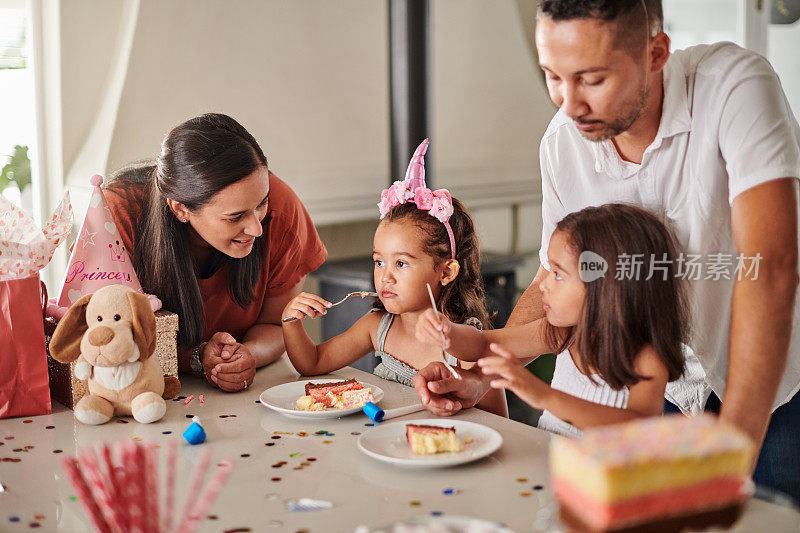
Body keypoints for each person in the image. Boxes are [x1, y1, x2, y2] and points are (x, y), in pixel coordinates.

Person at [414, 0, 800, 503]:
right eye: (553, 76)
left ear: (656, 52)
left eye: (591, 79)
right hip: (652, 389)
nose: (568, 104)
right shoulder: (562, 142)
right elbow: (553, 280)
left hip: (764, 385)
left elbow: (770, 266)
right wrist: (480, 377)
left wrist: (734, 447)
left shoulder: (735, 86)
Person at [417, 204, 687, 435]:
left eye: (558, 274)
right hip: (553, 464)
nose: (543, 285)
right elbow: (487, 344)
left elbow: (639, 427)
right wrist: (448, 333)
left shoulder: (646, 357)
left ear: (606, 286)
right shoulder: (564, 332)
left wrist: (544, 395)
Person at [281, 140, 507, 416]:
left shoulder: (464, 342)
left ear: (446, 272)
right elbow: (312, 363)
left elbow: (500, 421)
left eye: (401, 263)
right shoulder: (377, 328)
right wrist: (291, 322)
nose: (385, 276)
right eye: (378, 261)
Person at [105, 113, 327, 392]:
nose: (257, 229)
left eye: (261, 204)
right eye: (235, 217)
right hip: (139, 391)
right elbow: (111, 336)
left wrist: (247, 356)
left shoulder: (283, 207)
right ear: (181, 209)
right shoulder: (116, 215)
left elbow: (277, 323)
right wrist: (197, 358)